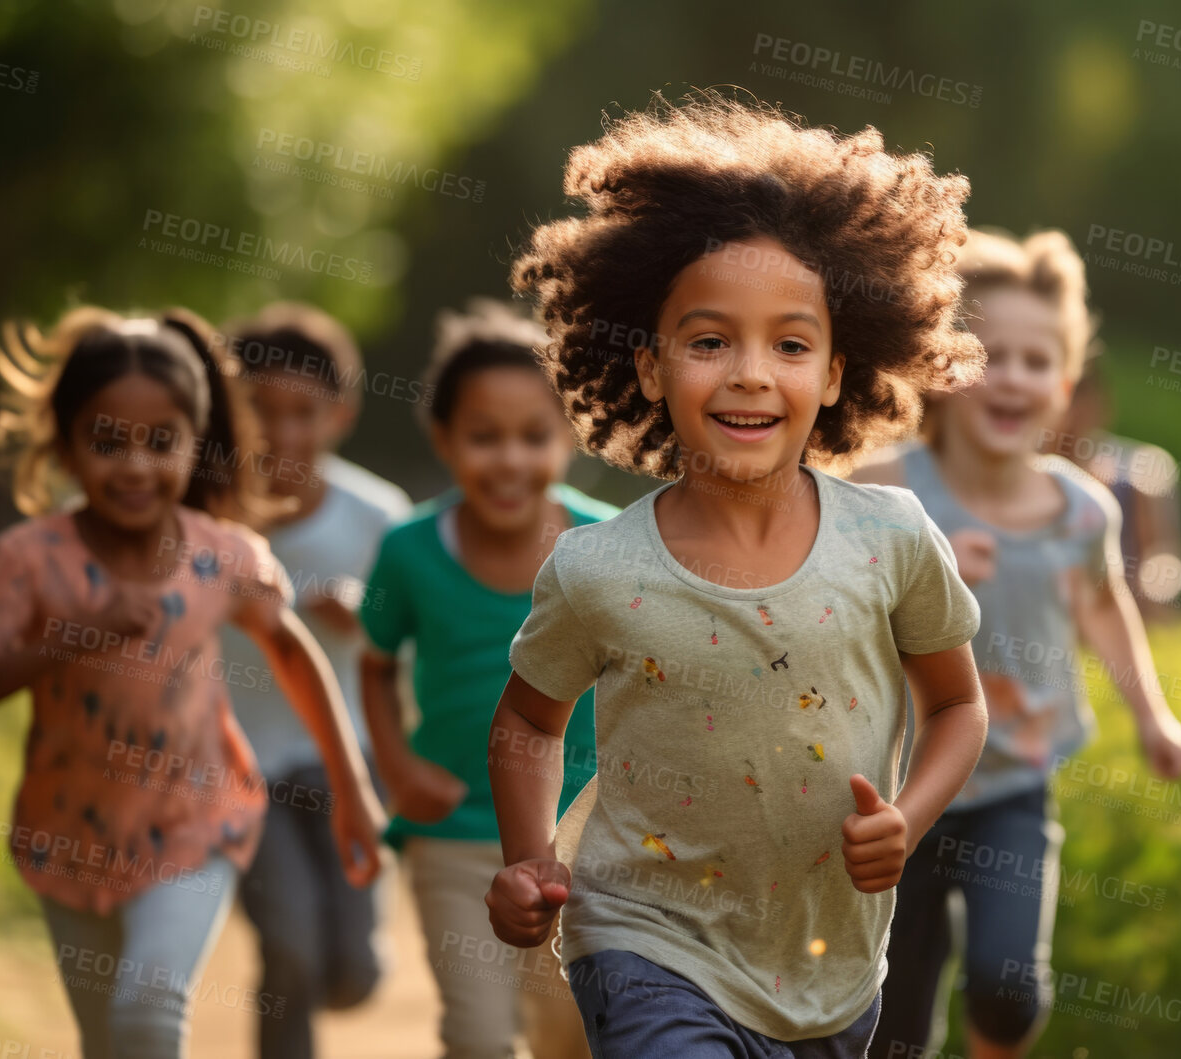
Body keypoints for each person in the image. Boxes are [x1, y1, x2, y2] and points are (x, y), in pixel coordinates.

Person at [486, 91, 991, 1058]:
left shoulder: (890, 539)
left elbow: (958, 708)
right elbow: (527, 722)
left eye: (790, 345)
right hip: (641, 937)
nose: (751, 373)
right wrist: (527, 861)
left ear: (839, 372)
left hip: (827, 967)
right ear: (648, 366)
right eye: (710, 341)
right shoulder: (594, 569)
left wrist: (908, 819)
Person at [0, 307, 386, 1059]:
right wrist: (70, 634)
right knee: (108, 1039)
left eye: (161, 442)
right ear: (68, 441)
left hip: (194, 826)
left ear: (194, 441)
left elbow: (291, 649)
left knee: (149, 1008)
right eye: (108, 441)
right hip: (68, 835)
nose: (136, 466)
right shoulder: (30, 558)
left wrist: (351, 786)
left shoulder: (221, 556)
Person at [850, 228, 1181, 1059]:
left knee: (1008, 988)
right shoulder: (886, 489)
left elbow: (1106, 608)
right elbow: (827, 602)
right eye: (986, 354)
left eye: (1036, 361)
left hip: (1014, 780)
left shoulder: (1080, 509)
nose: (1011, 376)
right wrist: (922, 567)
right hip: (899, 786)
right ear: (940, 368)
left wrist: (1152, 715)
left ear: (1065, 386)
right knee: (893, 1018)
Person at [358, 298, 616, 1059]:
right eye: (482, 436)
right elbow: (374, 666)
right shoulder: (407, 551)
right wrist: (397, 768)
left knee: (569, 1039)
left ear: (570, 433)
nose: (508, 459)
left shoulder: (608, 545)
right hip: (453, 831)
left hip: (584, 835)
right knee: (476, 1035)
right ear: (443, 438)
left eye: (533, 435)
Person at [219, 303, 412, 1059]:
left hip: (346, 763)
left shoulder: (376, 516)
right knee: (289, 947)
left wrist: (366, 612)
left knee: (351, 975)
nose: (280, 433)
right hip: (235, 766)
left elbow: (410, 630)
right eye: (257, 410)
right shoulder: (207, 515)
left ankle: (352, 950)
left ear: (341, 414)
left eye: (302, 412)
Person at [1050, 370, 1181, 618]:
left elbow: (1162, 553)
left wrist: (1154, 588)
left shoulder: (1142, 469)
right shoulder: (1029, 475)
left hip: (1128, 611)